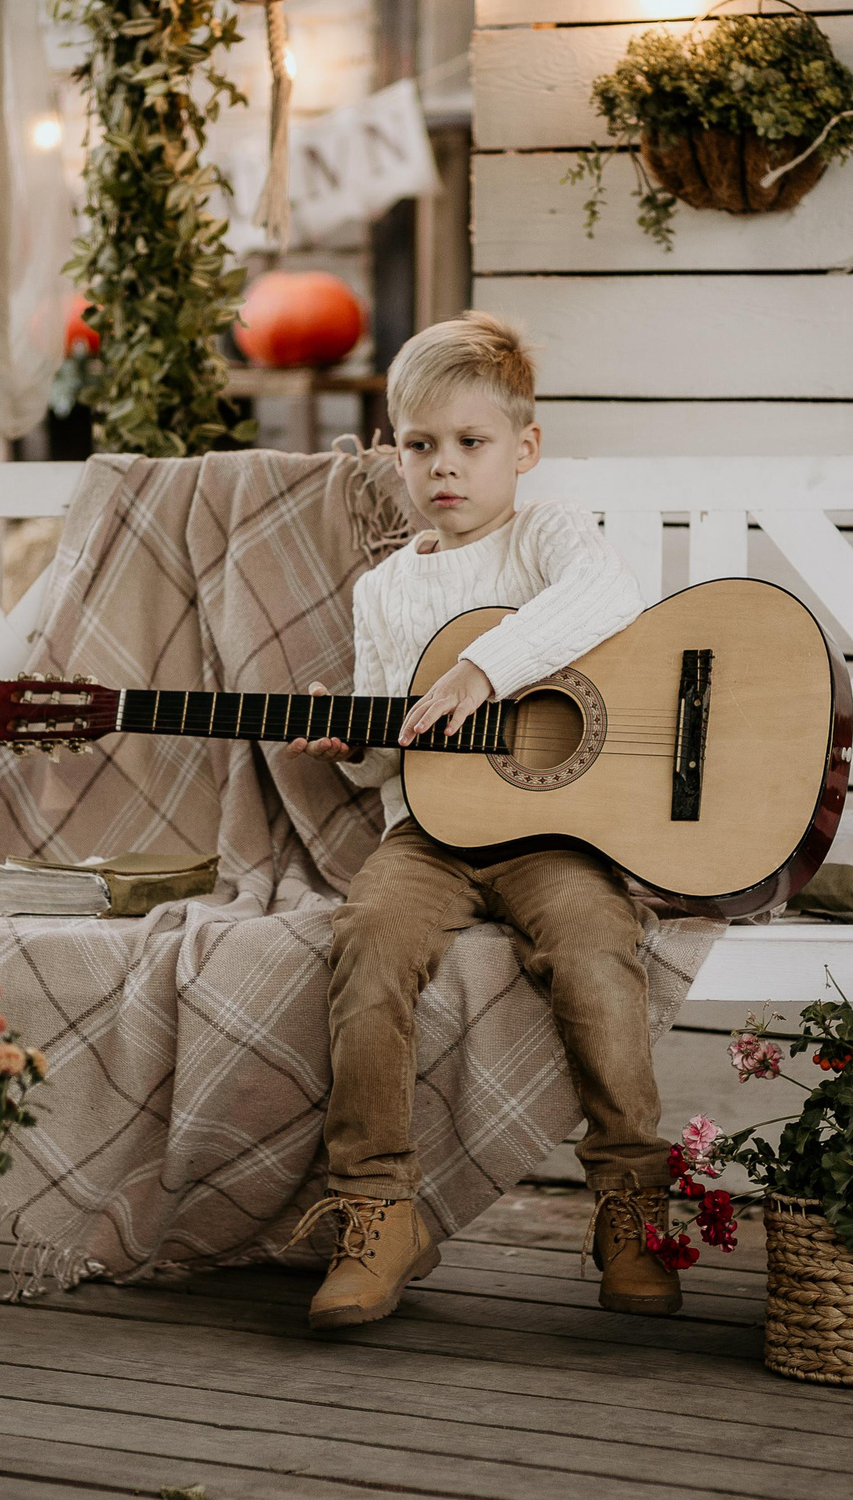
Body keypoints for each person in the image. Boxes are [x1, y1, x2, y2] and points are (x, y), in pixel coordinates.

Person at [284, 311, 680, 1330]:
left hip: (556, 833)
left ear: (524, 449)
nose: (444, 469)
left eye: (471, 444)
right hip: (428, 834)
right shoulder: (386, 589)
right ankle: (376, 1210)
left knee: (597, 944)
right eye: (420, 447)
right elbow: (391, 754)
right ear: (394, 456)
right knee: (367, 942)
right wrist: (354, 744)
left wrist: (484, 664)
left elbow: (604, 595)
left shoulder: (547, 538)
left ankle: (630, 1204)